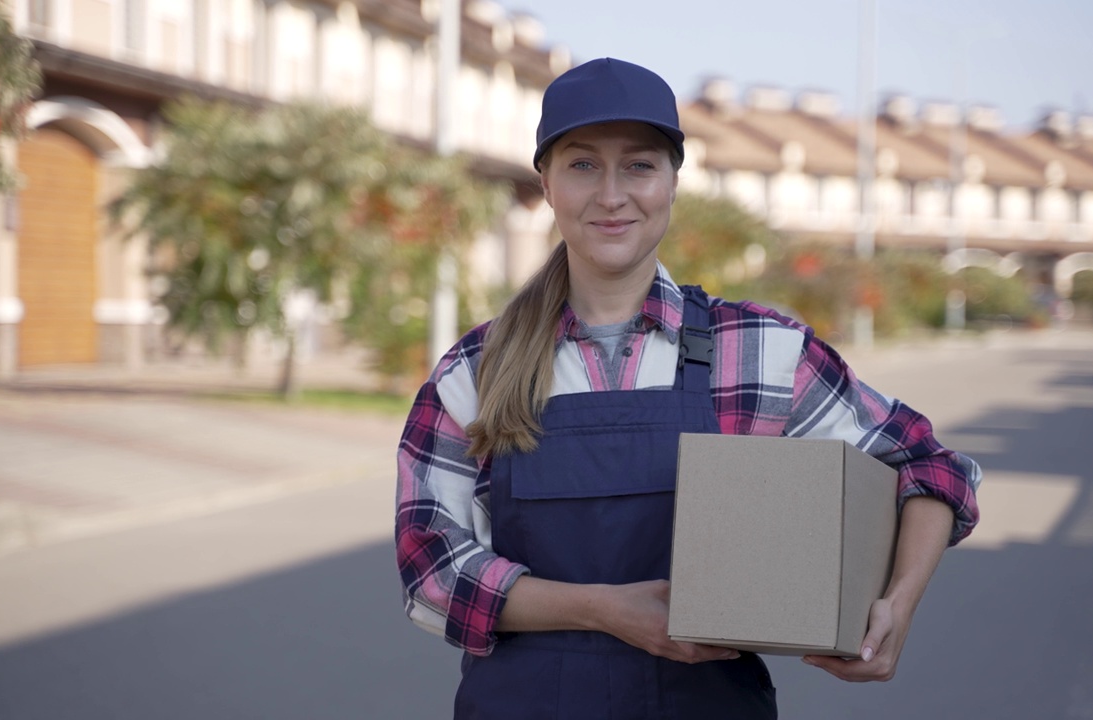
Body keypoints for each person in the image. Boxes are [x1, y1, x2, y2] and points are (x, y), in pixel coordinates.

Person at [395, 57, 981, 719]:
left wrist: (895, 610)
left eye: (640, 165)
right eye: (582, 164)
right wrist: (605, 611)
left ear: (674, 180)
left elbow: (930, 470)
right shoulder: (474, 370)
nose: (612, 194)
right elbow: (432, 570)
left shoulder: (759, 352)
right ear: (547, 183)